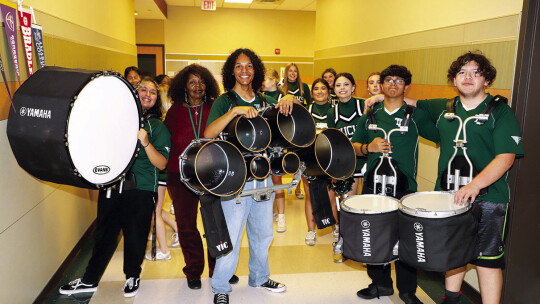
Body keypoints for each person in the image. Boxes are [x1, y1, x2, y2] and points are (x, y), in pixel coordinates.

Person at [411, 52, 523, 304]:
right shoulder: (444, 108)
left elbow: (505, 158)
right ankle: (451, 299)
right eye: (462, 72)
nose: (468, 77)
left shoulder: (500, 112)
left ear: (486, 80)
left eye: (476, 72)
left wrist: (474, 185)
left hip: (489, 200)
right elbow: (411, 102)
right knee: (453, 253)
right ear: (454, 80)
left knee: (487, 260)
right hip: (448, 199)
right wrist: (380, 96)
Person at [59, 77, 171, 298]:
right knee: (104, 235)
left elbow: (162, 163)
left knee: (135, 236)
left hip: (141, 189)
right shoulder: (118, 119)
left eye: (153, 92)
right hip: (112, 186)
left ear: (157, 100)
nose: (148, 94)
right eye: (143, 89)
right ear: (134, 92)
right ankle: (90, 279)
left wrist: (146, 143)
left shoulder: (156, 126)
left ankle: (132, 276)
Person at [204, 48, 293, 304]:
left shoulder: (264, 99)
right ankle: (221, 285)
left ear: (256, 70)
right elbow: (208, 134)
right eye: (239, 66)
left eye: (249, 66)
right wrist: (234, 112)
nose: (244, 71)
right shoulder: (225, 101)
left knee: (263, 232)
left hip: (262, 175)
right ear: (232, 70)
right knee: (231, 234)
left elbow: (287, 113)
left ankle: (260, 277)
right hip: (234, 177)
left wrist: (289, 99)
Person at [351, 65, 439, 304]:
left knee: (406, 242)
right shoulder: (370, 114)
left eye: (398, 80)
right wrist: (370, 148)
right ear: (381, 85)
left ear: (406, 86)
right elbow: (353, 145)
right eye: (388, 80)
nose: (392, 84)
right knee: (373, 236)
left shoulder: (415, 115)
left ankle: (408, 291)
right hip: (373, 186)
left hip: (405, 188)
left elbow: (441, 136)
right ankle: (380, 284)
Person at [163, 64, 240, 289]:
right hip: (180, 177)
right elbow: (167, 145)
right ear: (184, 87)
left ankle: (219, 271)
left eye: (202, 81)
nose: (198, 86)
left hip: (211, 177)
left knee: (215, 224)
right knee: (186, 226)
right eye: (192, 82)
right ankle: (194, 270)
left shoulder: (214, 108)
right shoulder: (174, 112)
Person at [304, 78, 339, 246]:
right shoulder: (307, 110)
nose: (319, 91)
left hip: (329, 157)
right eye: (316, 89)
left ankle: (336, 228)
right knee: (309, 194)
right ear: (312, 93)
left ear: (328, 91)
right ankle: (311, 230)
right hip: (310, 157)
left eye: (323, 88)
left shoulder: (335, 110)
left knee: (331, 194)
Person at [326, 72, 366, 197]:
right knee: (349, 201)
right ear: (334, 89)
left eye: (346, 84)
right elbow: (333, 142)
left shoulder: (364, 105)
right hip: (348, 162)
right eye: (338, 85)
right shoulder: (332, 112)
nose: (342, 88)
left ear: (353, 87)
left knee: (369, 200)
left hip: (367, 159)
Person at [262, 68, 287, 233]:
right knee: (264, 179)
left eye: (266, 79)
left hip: (276, 143)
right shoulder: (259, 97)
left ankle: (282, 215)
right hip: (263, 142)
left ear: (274, 80)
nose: (263, 82)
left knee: (276, 179)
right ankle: (268, 211)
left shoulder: (282, 99)